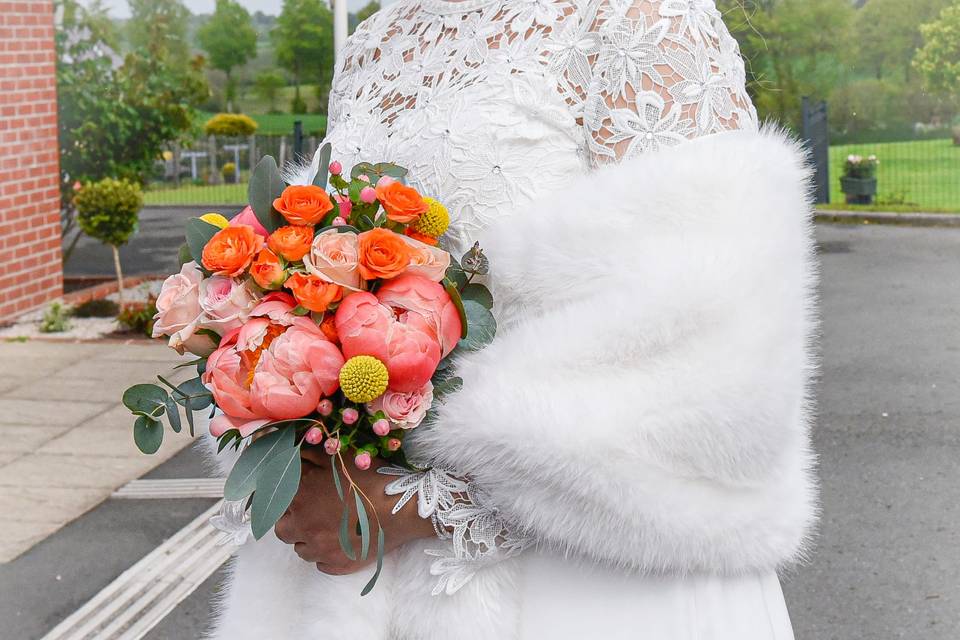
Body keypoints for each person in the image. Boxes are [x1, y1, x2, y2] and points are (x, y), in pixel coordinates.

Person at [206, 1, 817, 638]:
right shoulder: (375, 42)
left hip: (583, 575)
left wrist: (422, 504)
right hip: (352, 573)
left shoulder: (642, 20)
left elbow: (718, 332)